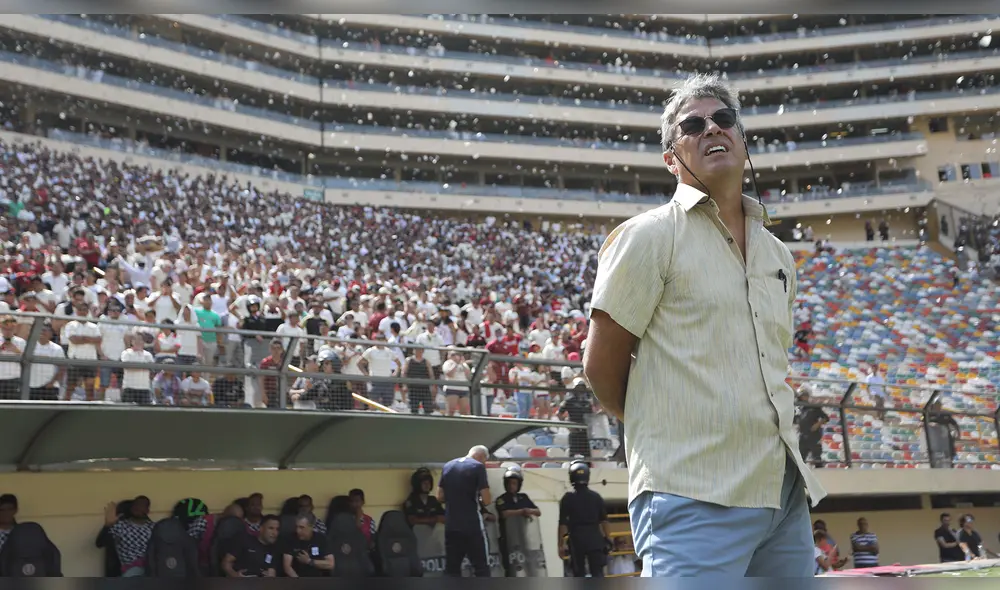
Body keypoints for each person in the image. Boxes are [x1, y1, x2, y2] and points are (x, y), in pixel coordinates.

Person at [583, 72, 826, 577]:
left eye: (723, 119)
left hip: (782, 496)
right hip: (690, 495)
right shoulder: (646, 237)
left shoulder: (778, 254)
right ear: (672, 158)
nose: (711, 128)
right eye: (692, 125)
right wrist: (673, 432)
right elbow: (601, 367)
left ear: (741, 138)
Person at [437, 444, 492, 577]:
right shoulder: (478, 467)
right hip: (471, 525)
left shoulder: (448, 465)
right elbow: (487, 500)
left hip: (451, 524)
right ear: (481, 457)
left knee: (452, 568)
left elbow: (440, 497)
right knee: (481, 566)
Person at [558, 460, 611, 578]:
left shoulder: (567, 498)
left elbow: (562, 524)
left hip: (577, 541)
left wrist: (561, 545)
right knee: (598, 574)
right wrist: (608, 539)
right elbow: (604, 521)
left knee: (579, 574)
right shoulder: (596, 497)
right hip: (595, 539)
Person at [495, 466, 541, 577]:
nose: (512, 486)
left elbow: (538, 512)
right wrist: (521, 511)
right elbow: (503, 514)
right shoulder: (502, 499)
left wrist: (529, 510)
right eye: (509, 483)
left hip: (523, 537)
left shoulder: (523, 497)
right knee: (511, 567)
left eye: (514, 483)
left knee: (528, 565)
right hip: (508, 539)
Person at [282, 513, 334, 577]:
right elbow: (287, 567)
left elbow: (331, 564)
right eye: (296, 527)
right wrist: (300, 583)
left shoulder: (321, 539)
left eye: (301, 527)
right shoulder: (290, 539)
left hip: (317, 581)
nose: (298, 531)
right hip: (296, 581)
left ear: (311, 527)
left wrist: (309, 561)